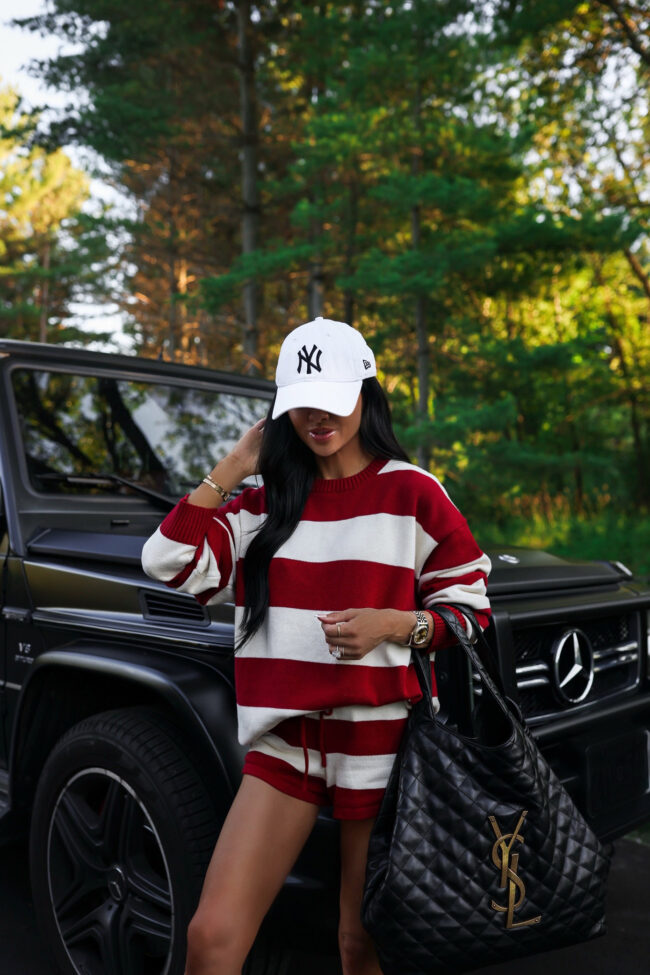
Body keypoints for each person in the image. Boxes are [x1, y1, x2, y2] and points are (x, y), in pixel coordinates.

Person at [141, 317, 491, 975]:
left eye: (333, 395)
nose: (318, 414)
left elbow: (469, 614)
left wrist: (395, 624)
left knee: (361, 943)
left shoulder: (413, 492)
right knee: (211, 937)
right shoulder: (261, 504)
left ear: (366, 391)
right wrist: (234, 465)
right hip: (285, 746)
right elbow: (167, 561)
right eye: (301, 399)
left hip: (382, 745)